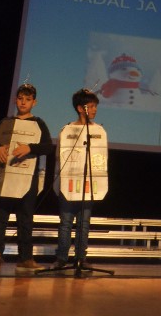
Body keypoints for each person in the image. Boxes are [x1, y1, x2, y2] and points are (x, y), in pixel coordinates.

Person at [0, 83, 54, 274]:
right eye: (20, 98)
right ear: (15, 100)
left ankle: (25, 259)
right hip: (5, 176)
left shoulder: (38, 123)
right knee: (0, 217)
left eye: (28, 99)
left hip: (27, 177)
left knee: (25, 218)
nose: (23, 102)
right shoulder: (5, 122)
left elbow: (48, 146)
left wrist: (30, 148)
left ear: (34, 102)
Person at [52, 89, 106, 270]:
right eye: (91, 106)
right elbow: (59, 158)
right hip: (68, 185)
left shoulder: (99, 130)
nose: (95, 109)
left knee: (84, 224)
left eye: (96, 106)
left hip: (89, 185)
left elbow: (102, 158)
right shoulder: (67, 130)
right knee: (66, 223)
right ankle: (61, 258)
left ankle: (81, 258)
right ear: (80, 108)